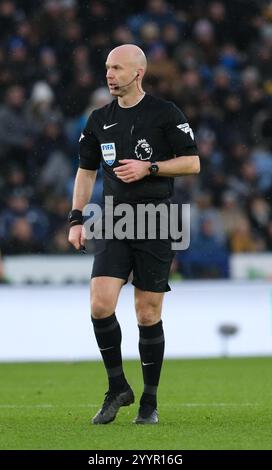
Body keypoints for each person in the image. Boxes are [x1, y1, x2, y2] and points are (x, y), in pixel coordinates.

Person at [68, 44, 200, 425]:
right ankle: (117, 388)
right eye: (107, 68)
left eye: (117, 68)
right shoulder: (98, 119)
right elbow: (86, 172)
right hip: (114, 218)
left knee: (147, 313)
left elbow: (192, 162)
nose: (109, 75)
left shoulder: (165, 113)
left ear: (137, 73)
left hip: (158, 218)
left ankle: (149, 401)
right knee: (100, 303)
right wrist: (76, 218)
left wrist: (150, 168)